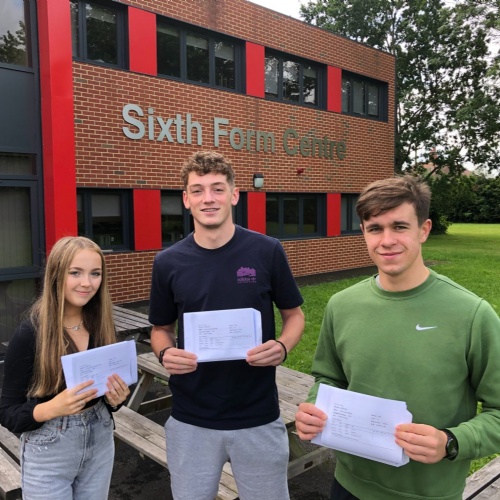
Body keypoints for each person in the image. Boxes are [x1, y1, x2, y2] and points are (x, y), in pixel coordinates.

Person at [295, 175, 500, 500]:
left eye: (400, 227)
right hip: (348, 484)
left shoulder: (472, 314)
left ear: (424, 230)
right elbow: (329, 378)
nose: (387, 240)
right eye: (375, 228)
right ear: (363, 232)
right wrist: (314, 406)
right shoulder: (341, 305)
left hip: (427, 493)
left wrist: (451, 441)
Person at [149, 150, 305, 500]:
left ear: (234, 195)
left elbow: (294, 315)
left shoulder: (267, 251)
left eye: (218, 189)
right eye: (198, 190)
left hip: (257, 415)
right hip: (191, 418)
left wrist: (282, 347)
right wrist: (165, 353)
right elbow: (160, 328)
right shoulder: (168, 262)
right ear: (186, 199)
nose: (208, 198)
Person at [0, 236, 130, 499]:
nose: (87, 283)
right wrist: (51, 408)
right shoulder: (30, 333)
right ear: (57, 275)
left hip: (101, 437)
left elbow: (108, 388)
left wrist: (117, 398)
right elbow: (7, 412)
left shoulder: (102, 325)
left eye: (95, 273)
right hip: (48, 448)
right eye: (75, 273)